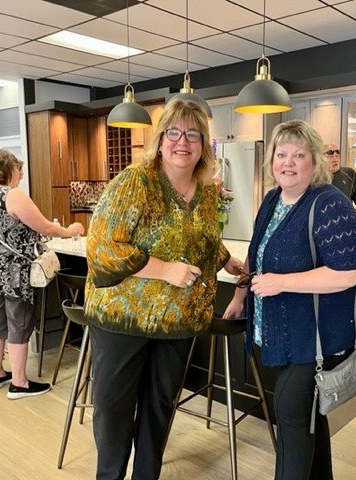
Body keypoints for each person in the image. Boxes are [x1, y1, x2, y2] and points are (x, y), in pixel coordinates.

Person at [84, 98, 242, 480]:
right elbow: (102, 247)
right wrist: (164, 270)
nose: (182, 142)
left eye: (193, 134)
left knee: (159, 407)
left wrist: (225, 260)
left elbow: (200, 239)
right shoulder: (135, 182)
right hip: (122, 317)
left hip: (177, 319)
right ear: (160, 139)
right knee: (115, 410)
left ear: (203, 144)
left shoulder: (206, 191)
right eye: (174, 132)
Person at [223, 120, 356, 480]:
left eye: (299, 155)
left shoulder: (330, 204)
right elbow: (257, 252)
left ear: (315, 160)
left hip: (314, 339)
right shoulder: (273, 199)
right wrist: (241, 294)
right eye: (281, 154)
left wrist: (282, 283)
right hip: (282, 334)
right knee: (308, 418)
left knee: (292, 420)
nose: (288, 163)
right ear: (271, 161)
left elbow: (347, 274)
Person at [0, 149, 84, 399]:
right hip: (14, 271)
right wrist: (70, 230)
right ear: (5, 169)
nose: (20, 175)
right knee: (19, 322)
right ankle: (19, 383)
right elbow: (44, 227)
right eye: (18, 169)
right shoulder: (12, 195)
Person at [324, 144, 356, 237]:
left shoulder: (349, 174)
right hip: (324, 227)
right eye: (330, 155)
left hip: (346, 226)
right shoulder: (315, 176)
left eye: (337, 155)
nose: (335, 158)